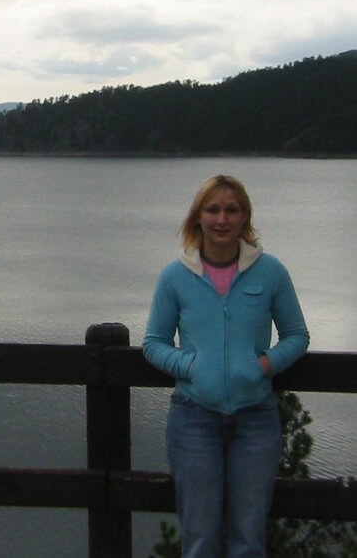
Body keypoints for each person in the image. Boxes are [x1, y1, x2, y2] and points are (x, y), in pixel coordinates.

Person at [143, 175, 309, 557]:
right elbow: (153, 344)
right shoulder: (175, 277)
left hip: (256, 420)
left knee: (248, 538)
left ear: (244, 217)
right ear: (198, 217)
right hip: (193, 419)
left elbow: (297, 336)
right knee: (199, 538)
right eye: (213, 209)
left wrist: (263, 365)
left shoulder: (271, 273)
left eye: (231, 210)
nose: (222, 219)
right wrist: (191, 365)